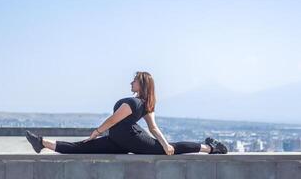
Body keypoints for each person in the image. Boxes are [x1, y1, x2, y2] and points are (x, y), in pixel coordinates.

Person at [26, 71, 228, 155]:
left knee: (169, 149)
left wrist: (97, 131)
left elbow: (114, 120)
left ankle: (210, 147)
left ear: (141, 84)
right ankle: (41, 143)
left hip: (131, 138)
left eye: (134, 80)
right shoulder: (143, 102)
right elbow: (153, 127)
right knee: (81, 147)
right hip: (120, 140)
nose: (130, 82)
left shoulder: (133, 101)